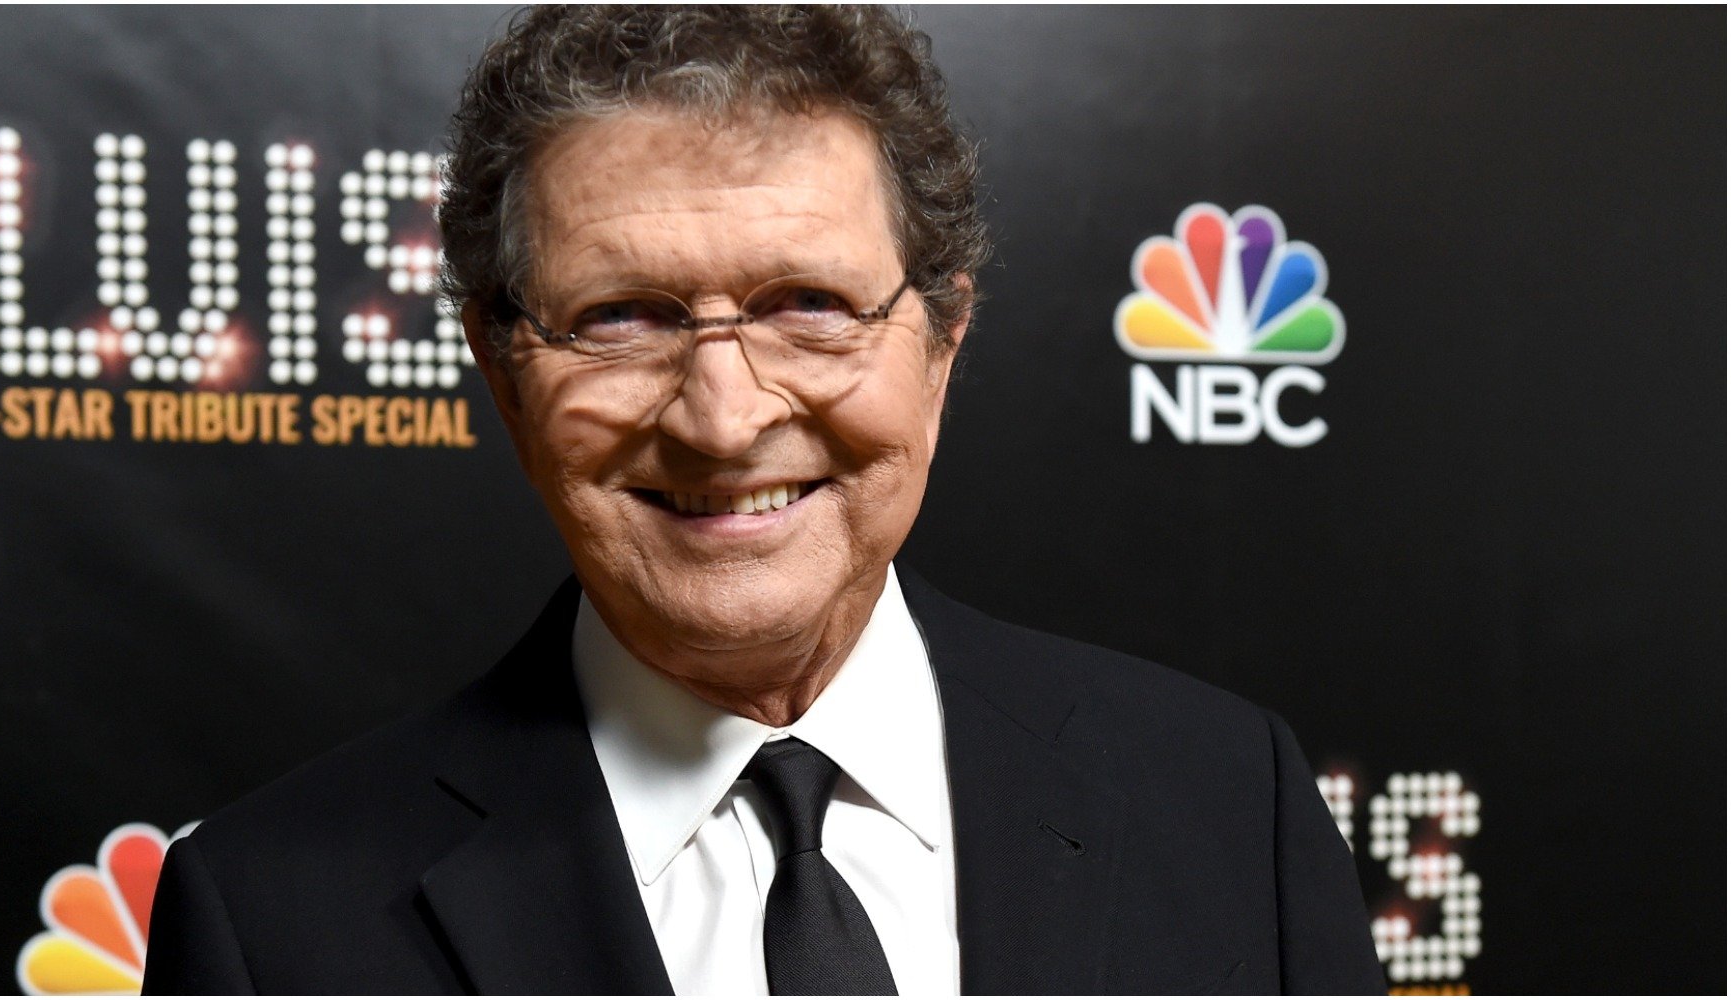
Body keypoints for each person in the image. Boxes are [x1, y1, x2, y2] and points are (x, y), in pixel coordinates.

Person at [143, 7, 1384, 995]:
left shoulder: (1229, 802)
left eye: (809, 306)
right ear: (504, 375)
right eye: (620, 317)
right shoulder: (270, 923)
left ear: (942, 338)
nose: (722, 416)